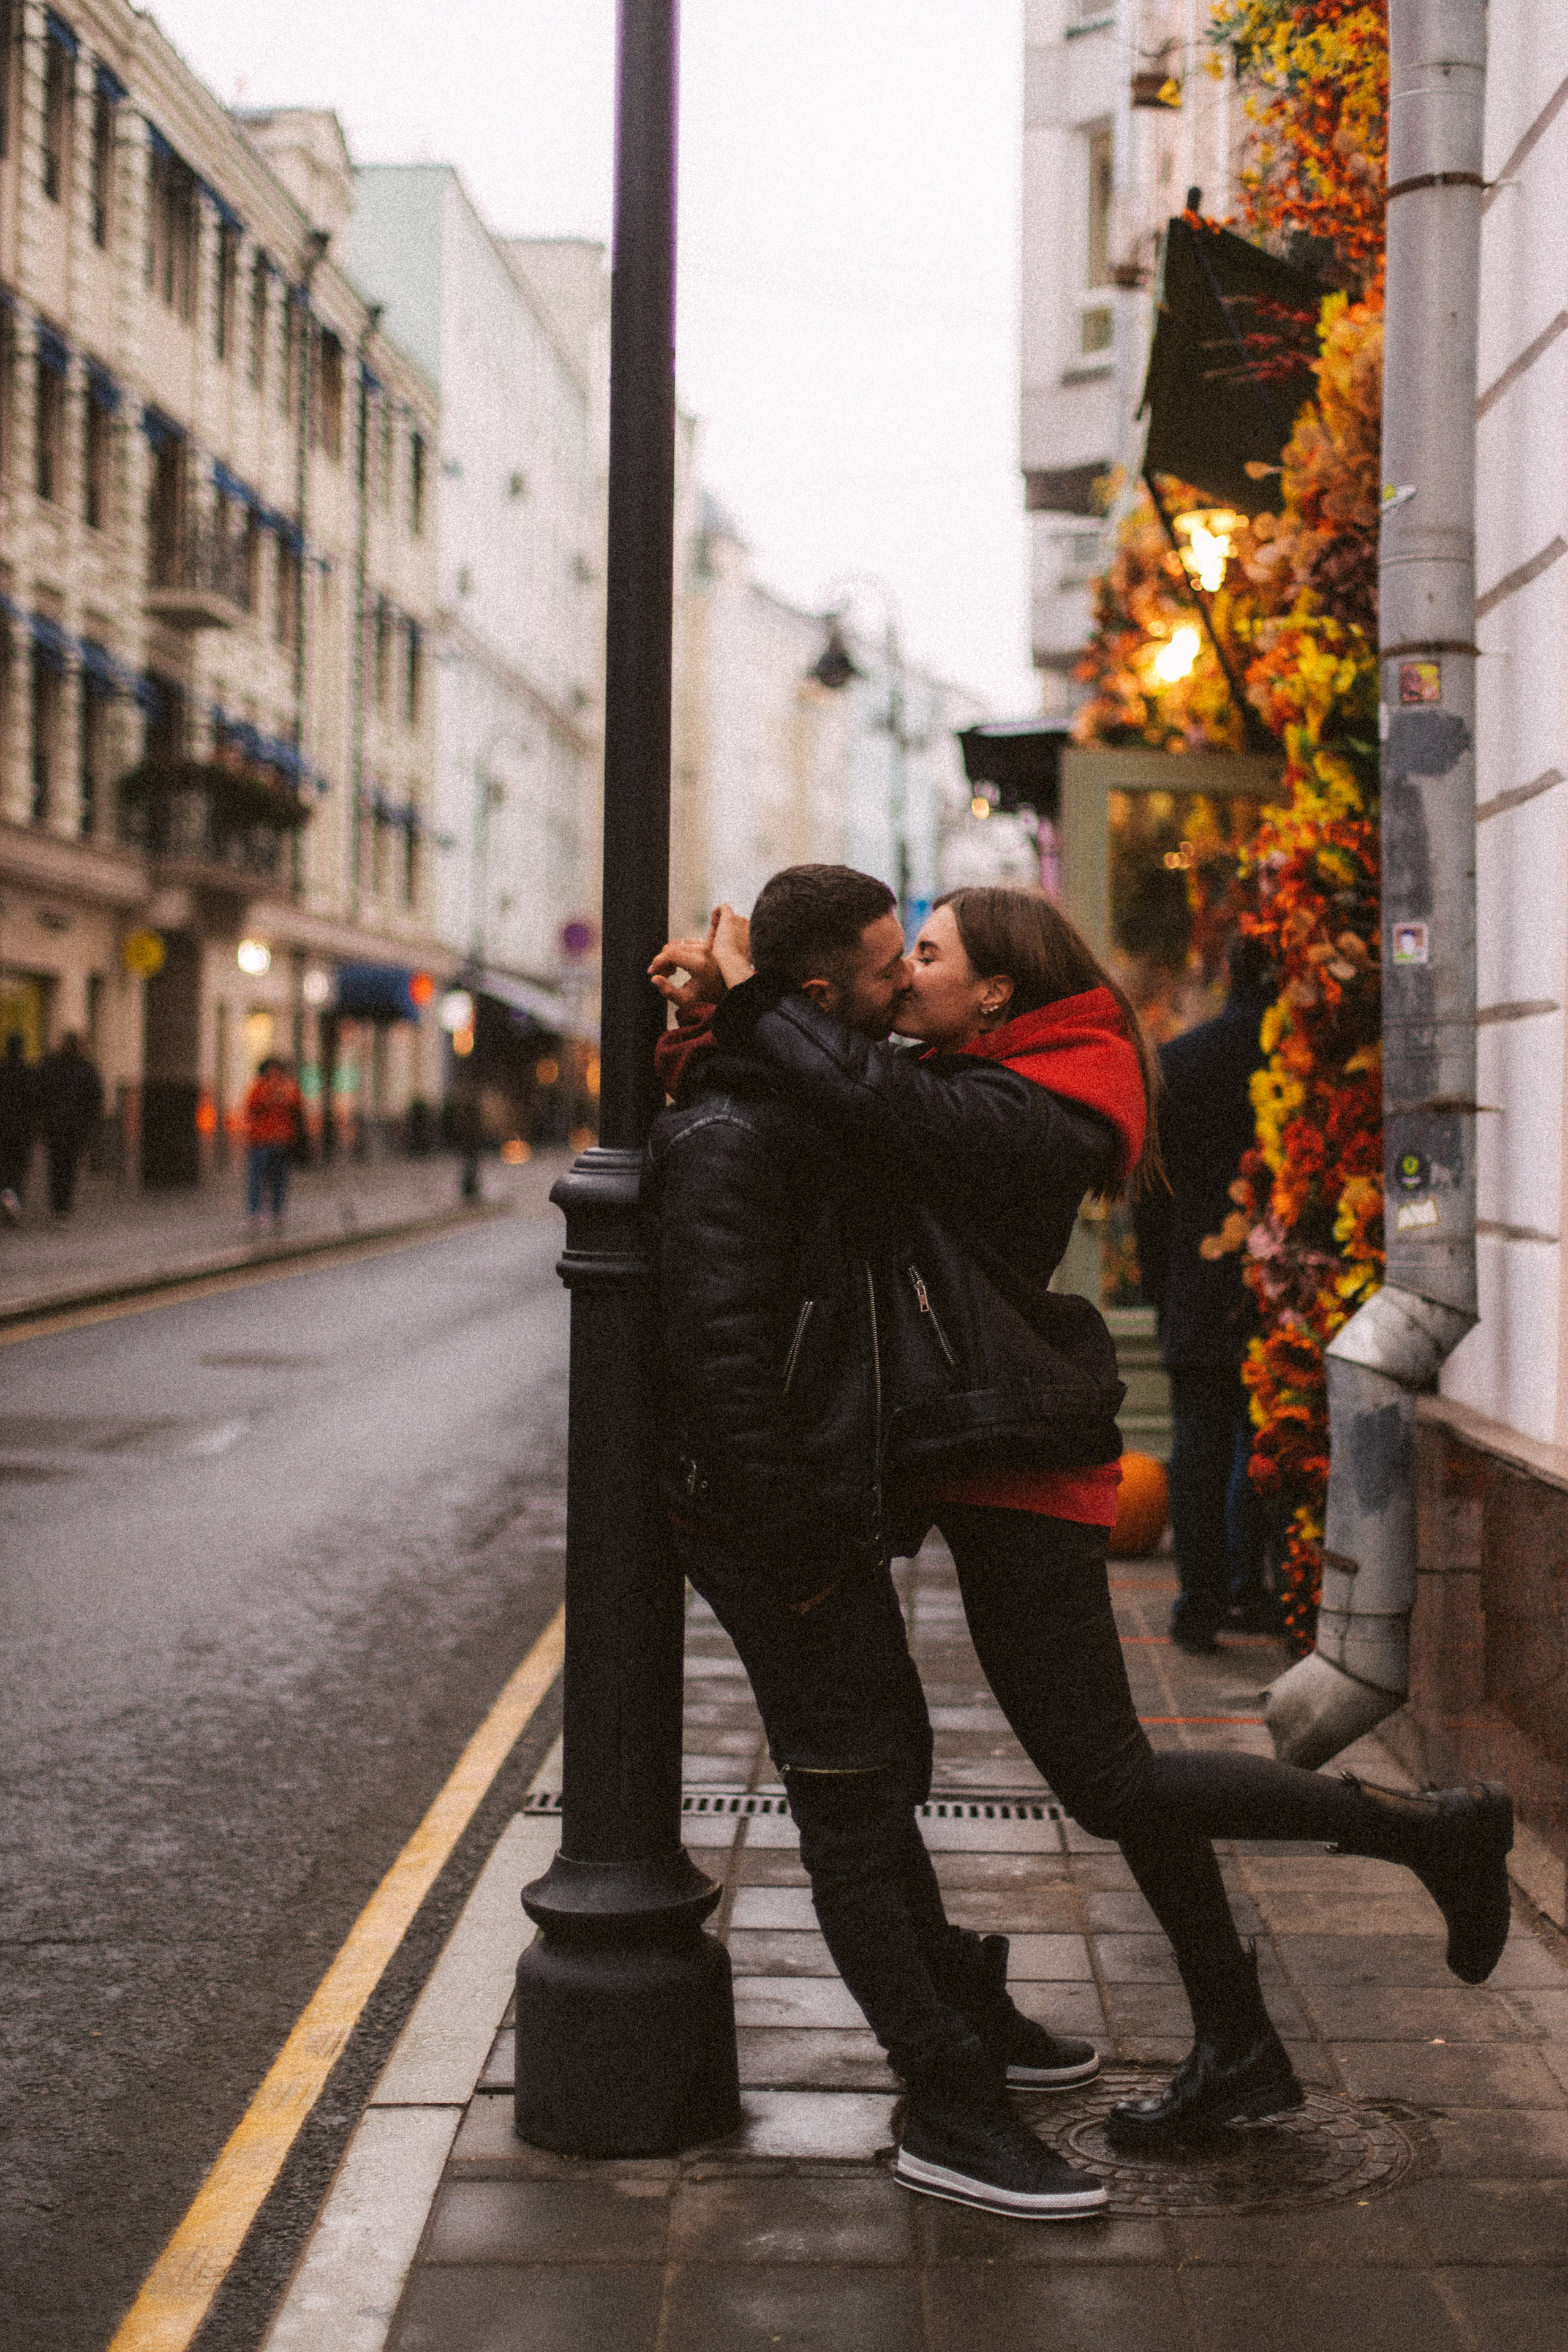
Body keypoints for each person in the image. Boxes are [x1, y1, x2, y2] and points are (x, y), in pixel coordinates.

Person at [660, 879, 1514, 2154]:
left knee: (1112, 1777)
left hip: (1022, 1457)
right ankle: (1240, 2044)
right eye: (893, 963)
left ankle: (1425, 1835)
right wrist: (720, 1014)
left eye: (926, 957)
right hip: (979, 1447)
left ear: (993, 988)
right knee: (1118, 1781)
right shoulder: (973, 1065)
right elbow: (835, 1081)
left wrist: (753, 1002)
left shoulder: (1037, 1098)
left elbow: (871, 1099)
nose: (902, 983)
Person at [647, 865, 1110, 2222]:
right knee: (850, 1796)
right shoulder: (734, 1126)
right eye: (883, 965)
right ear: (817, 992)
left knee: (886, 1757)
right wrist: (795, 1545)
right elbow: (722, 1366)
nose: (907, 982)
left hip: (823, 1511)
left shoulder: (800, 1075)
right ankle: (945, 2102)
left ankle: (962, 2009)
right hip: (770, 1520)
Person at [1133, 933, 1279, 1653]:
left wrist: (1162, 1283)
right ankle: (1258, 1589)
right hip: (1286, 1282)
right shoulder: (1301, 1063)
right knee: (1269, 1437)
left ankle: (1199, 1602)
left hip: (1197, 1274)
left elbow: (1150, 1192)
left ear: (1226, 972)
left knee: (1198, 1448)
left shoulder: (1181, 1061)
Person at [34, 1031, 104, 1219]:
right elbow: (95, 1099)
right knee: (69, 1166)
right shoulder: (85, 1068)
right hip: (74, 1127)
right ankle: (63, 1205)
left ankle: (58, 1204)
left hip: (56, 1126)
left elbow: (39, 1094)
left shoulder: (52, 1065)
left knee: (57, 1166)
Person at [243, 1057, 304, 1231]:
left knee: (280, 1181)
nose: (274, 1074)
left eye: (278, 1070)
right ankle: (254, 1214)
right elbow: (251, 1108)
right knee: (256, 1180)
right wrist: (270, 1094)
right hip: (260, 1142)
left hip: (282, 1142)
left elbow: (296, 1106)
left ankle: (277, 1214)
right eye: (271, 1070)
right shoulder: (258, 1087)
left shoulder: (290, 1087)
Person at [0, 1032, 34, 1223]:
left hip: (3, 1128)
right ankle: (14, 1203)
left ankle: (8, 1199)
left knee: (4, 1168)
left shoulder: (2, 1070)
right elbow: (35, 1101)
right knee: (19, 1170)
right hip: (22, 1129)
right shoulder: (28, 1072)